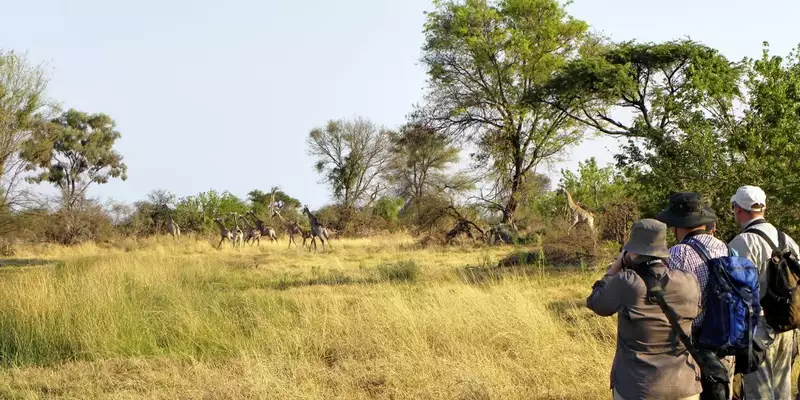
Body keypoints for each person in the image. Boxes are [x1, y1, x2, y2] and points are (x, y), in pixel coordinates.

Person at [587, 219, 702, 400]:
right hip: (685, 385)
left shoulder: (627, 282)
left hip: (639, 387)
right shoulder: (688, 280)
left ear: (632, 251)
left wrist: (615, 268)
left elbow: (596, 303)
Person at [656, 192, 735, 397]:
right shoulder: (723, 247)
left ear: (677, 225)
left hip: (694, 346)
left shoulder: (677, 253)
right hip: (725, 339)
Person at [728, 185, 800, 400]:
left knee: (759, 393)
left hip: (758, 330)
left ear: (737, 208)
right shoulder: (787, 239)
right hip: (788, 325)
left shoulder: (742, 242)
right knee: (782, 389)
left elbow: (737, 292)